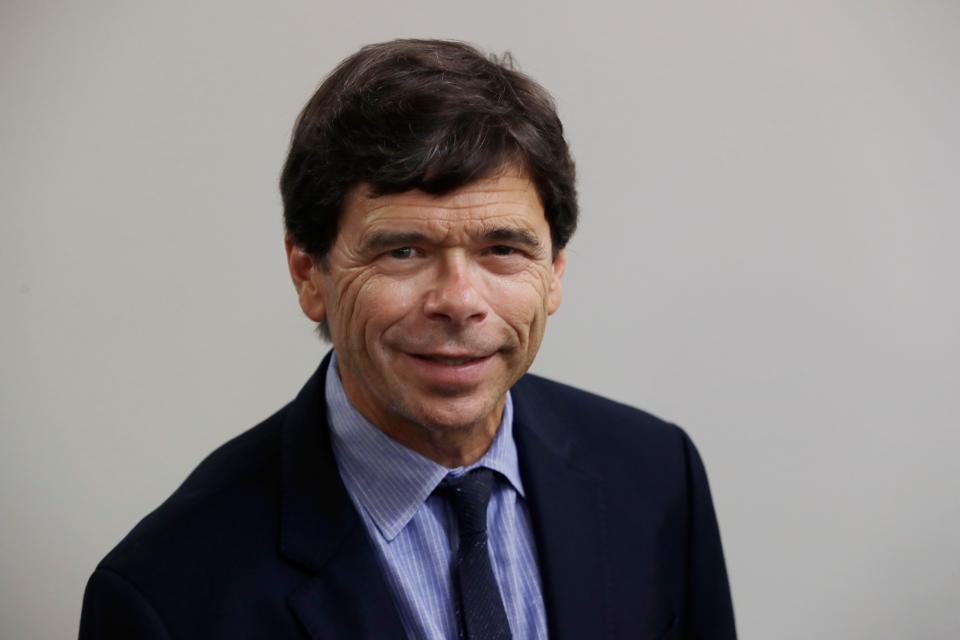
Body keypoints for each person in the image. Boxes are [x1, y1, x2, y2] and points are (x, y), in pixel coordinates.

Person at [79, 39, 736, 639]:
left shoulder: (656, 475)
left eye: (503, 248)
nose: (458, 302)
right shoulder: (165, 597)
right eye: (402, 251)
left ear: (554, 273)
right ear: (310, 274)